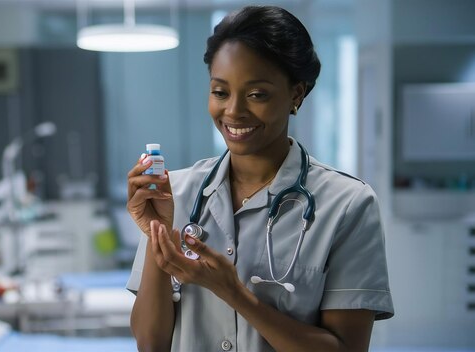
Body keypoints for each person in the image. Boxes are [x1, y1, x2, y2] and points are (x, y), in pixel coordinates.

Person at [126, 5, 394, 352]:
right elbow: (150, 343)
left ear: (296, 94)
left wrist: (233, 292)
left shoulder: (348, 205)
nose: (233, 111)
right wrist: (155, 235)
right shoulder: (173, 193)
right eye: (220, 92)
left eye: (257, 94)